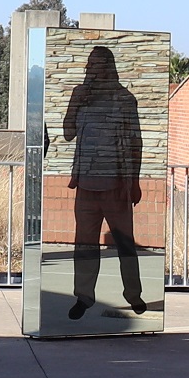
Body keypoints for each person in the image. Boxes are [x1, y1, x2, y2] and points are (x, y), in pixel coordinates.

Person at [60, 45, 149, 319]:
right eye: (90, 66)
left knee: (124, 243)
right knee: (85, 244)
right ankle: (83, 298)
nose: (93, 71)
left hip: (116, 184)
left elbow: (136, 142)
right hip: (85, 185)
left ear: (109, 68)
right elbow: (67, 133)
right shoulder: (79, 95)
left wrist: (134, 181)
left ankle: (133, 295)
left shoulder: (124, 99)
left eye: (98, 66)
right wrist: (77, 102)